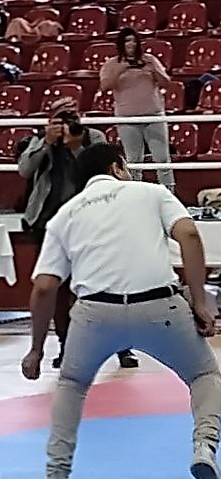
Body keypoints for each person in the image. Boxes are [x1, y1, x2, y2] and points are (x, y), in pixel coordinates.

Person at [20, 143, 221, 479]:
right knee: (203, 375)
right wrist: (200, 302)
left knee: (71, 384)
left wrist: (36, 350)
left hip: (94, 312)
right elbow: (189, 235)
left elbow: (43, 288)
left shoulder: (65, 215)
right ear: (118, 167)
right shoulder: (152, 192)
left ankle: (56, 478)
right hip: (159, 305)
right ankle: (204, 448)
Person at [17, 97, 138, 370]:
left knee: (110, 285)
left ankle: (123, 349)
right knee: (58, 291)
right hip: (51, 223)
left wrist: (77, 147)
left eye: (71, 116)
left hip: (96, 220)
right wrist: (47, 142)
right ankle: (65, 346)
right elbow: (25, 170)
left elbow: (108, 169)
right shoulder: (39, 140)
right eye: (60, 117)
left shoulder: (93, 138)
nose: (66, 124)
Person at [99, 27, 175, 191]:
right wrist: (119, 70)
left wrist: (154, 70)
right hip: (127, 119)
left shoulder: (150, 60)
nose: (131, 44)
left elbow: (166, 83)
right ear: (121, 44)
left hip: (154, 116)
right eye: (127, 41)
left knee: (162, 159)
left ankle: (170, 194)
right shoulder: (111, 64)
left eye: (134, 40)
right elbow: (104, 86)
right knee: (133, 161)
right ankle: (134, 194)